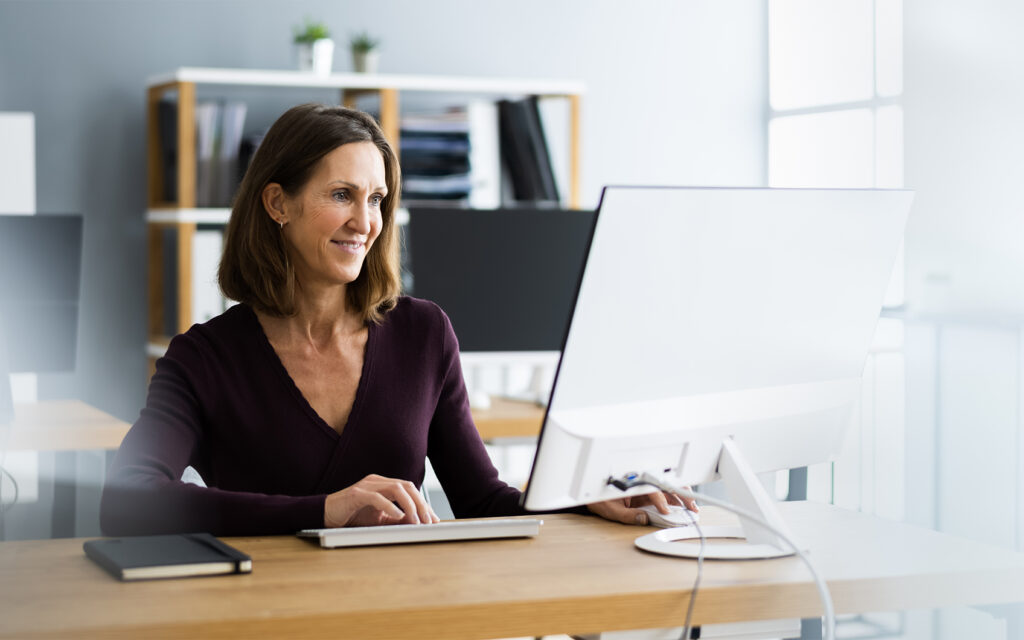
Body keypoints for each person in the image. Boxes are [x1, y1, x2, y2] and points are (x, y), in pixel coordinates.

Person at [100, 103, 695, 536]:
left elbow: (482, 498)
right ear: (278, 203)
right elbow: (126, 500)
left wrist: (581, 501)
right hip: (268, 617)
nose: (365, 221)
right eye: (341, 195)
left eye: (377, 198)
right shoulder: (204, 358)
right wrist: (324, 510)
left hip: (404, 610)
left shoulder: (423, 333)